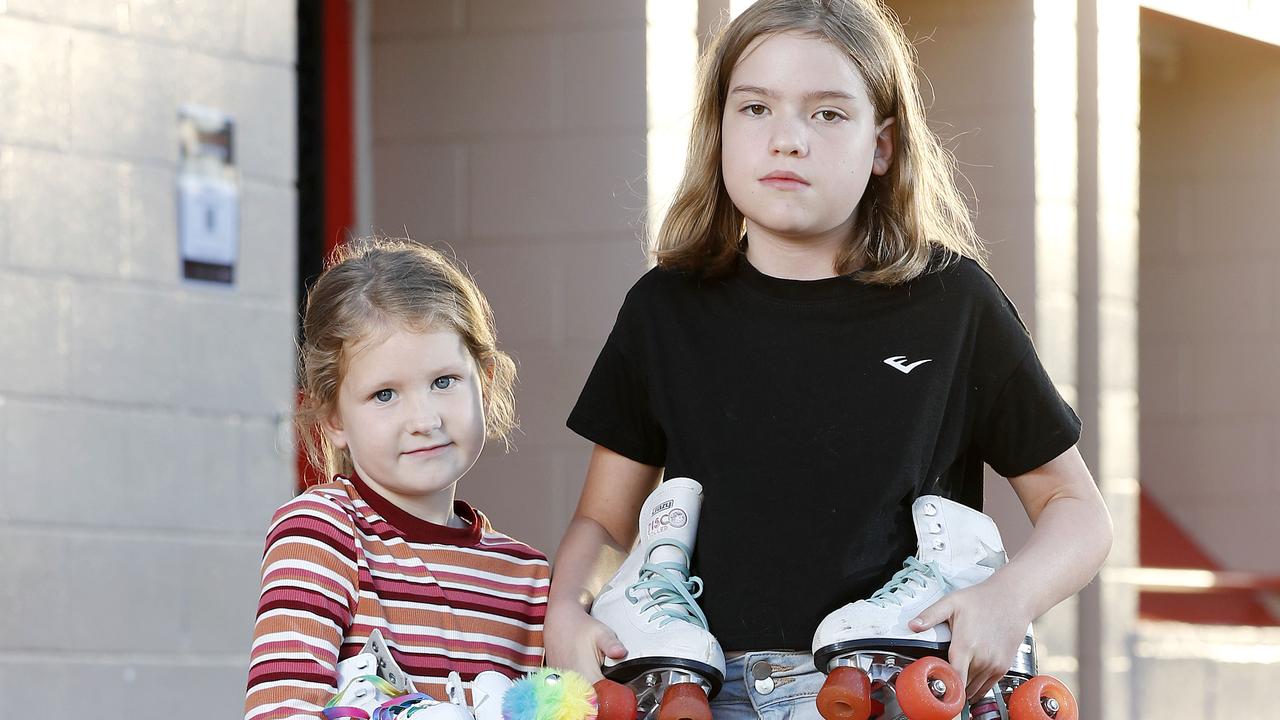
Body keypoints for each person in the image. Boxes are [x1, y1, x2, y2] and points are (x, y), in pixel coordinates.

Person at [544, 1, 1113, 718]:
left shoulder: (954, 303)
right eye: (755, 108)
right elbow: (602, 521)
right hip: (706, 695)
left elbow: (1078, 512)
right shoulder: (665, 309)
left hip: (899, 690)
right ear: (719, 128)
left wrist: (1008, 598)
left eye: (828, 114)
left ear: (883, 146)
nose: (787, 140)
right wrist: (567, 608)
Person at [244, 238, 550, 720]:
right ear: (334, 419)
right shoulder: (321, 532)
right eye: (385, 394)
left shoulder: (527, 579)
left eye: (444, 381)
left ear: (485, 383)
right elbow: (280, 711)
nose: (424, 419)